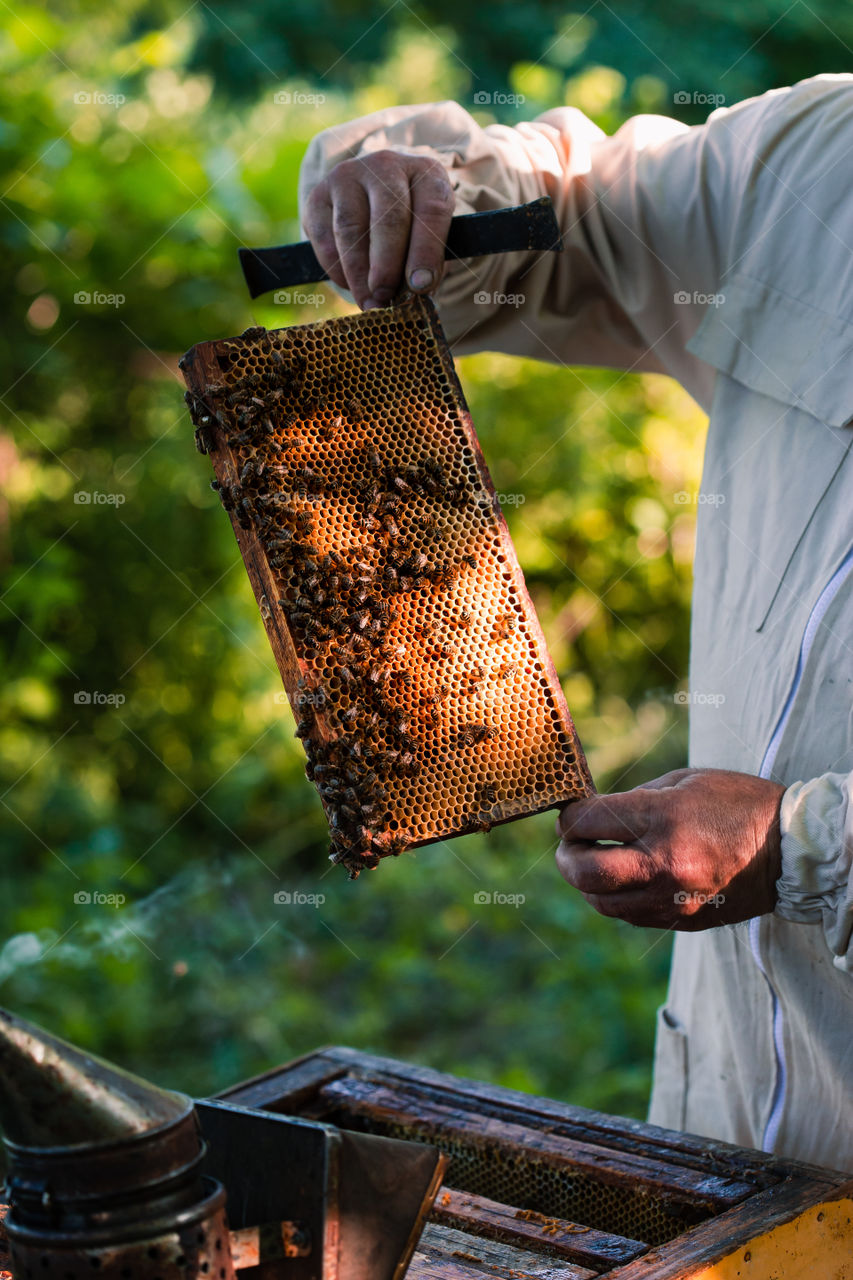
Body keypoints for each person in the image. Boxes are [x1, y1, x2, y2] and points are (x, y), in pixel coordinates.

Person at [298, 73, 853, 1172]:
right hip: (724, 1123)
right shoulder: (813, 160)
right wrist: (417, 191)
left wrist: (801, 848)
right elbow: (564, 218)